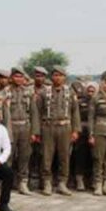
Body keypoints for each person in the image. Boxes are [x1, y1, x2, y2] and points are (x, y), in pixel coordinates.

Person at [37, 66, 81, 196]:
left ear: (64, 77)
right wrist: (37, 131)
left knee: (64, 157)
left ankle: (62, 183)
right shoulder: (44, 92)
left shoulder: (70, 92)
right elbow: (37, 112)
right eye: (55, 75)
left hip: (65, 127)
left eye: (60, 75)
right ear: (52, 77)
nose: (58, 77)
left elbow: (75, 112)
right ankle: (47, 183)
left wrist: (75, 130)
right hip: (48, 127)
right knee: (46, 156)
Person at [6, 67, 40, 195]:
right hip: (10, 127)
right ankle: (7, 182)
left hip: (25, 127)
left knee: (25, 156)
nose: (18, 79)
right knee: (8, 156)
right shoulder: (5, 92)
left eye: (21, 77)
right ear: (11, 77)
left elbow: (34, 112)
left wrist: (34, 132)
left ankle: (22, 183)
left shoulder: (29, 92)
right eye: (16, 76)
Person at [87, 72, 106, 196]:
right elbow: (91, 117)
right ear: (102, 83)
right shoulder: (96, 98)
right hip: (99, 130)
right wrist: (91, 134)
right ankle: (98, 184)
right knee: (98, 159)